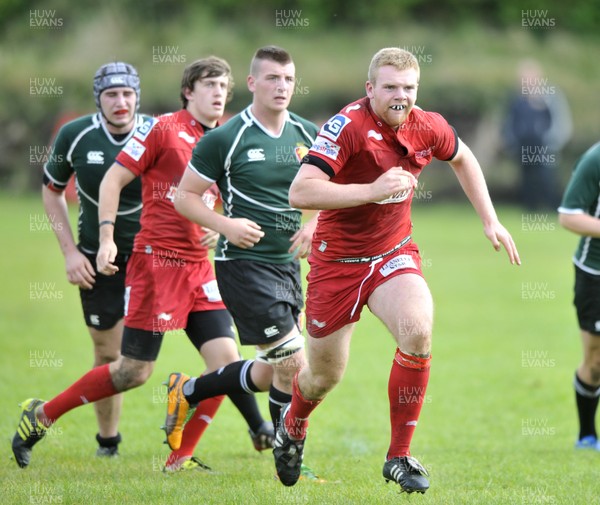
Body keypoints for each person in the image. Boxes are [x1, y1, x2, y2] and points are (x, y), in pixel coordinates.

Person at [272, 47, 521, 493]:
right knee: (323, 376)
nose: (400, 96)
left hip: (392, 252)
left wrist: (490, 219)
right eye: (389, 87)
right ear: (370, 90)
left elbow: (463, 157)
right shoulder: (345, 126)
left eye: (408, 88)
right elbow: (300, 191)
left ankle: (399, 456)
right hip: (337, 262)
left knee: (418, 331)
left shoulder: (429, 125)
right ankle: (292, 425)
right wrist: (371, 189)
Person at [12, 56, 273, 471]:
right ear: (188, 91)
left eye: (224, 86)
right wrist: (106, 237)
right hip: (158, 264)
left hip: (199, 266)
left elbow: (223, 192)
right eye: (209, 85)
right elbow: (114, 179)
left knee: (226, 363)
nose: (218, 93)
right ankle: (42, 415)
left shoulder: (227, 135)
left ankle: (180, 455)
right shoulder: (161, 129)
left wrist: (219, 224)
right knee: (133, 371)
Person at [167, 46, 321, 480]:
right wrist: (227, 225)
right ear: (252, 83)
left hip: (288, 267)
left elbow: (336, 187)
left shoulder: (307, 134)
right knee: (294, 364)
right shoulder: (226, 137)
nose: (282, 86)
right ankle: (286, 453)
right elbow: (184, 197)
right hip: (242, 265)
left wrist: (316, 224)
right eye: (272, 78)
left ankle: (191, 389)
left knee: (275, 367)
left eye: (289, 79)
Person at [34, 62, 145, 460]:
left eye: (127, 93)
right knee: (109, 355)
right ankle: (108, 442)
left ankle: (256, 426)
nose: (120, 101)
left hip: (155, 258)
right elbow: (51, 191)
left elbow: (192, 180)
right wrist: (70, 253)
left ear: (138, 95)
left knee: (212, 336)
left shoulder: (156, 131)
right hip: (99, 259)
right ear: (98, 98)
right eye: (111, 94)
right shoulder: (75, 134)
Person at [558, 141, 600, 451]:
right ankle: (587, 434)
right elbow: (569, 216)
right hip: (595, 272)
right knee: (597, 362)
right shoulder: (595, 159)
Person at [502, 59, 572, 210]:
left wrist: (552, 142)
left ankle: (553, 210)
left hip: (545, 147)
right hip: (523, 147)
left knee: (547, 180)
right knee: (527, 182)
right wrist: (513, 143)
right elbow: (508, 123)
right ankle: (530, 210)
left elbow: (561, 122)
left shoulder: (550, 97)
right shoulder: (516, 100)